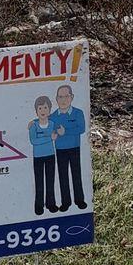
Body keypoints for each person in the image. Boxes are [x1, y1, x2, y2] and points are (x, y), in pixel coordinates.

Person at [51, 84, 88, 212]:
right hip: (60, 149)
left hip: (74, 148)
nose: (63, 100)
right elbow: (44, 123)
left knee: (76, 174)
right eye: (60, 97)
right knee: (63, 176)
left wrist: (65, 131)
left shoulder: (78, 113)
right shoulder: (53, 116)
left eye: (66, 96)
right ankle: (65, 202)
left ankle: (79, 200)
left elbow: (81, 128)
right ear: (56, 99)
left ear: (71, 97)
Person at [27, 95, 59, 216]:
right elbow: (33, 141)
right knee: (39, 182)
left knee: (50, 181)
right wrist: (49, 138)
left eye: (45, 108)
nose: (43, 111)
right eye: (40, 108)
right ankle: (39, 205)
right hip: (38, 157)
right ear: (36, 111)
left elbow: (60, 129)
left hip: (50, 155)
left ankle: (51, 204)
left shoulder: (52, 124)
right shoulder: (33, 126)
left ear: (49, 109)